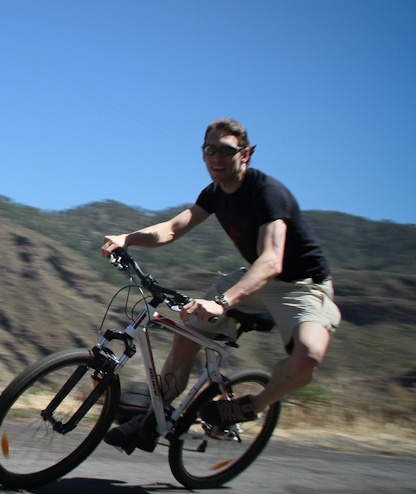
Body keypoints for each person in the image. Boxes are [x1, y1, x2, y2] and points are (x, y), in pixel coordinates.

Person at [99, 117, 341, 452]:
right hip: (253, 277)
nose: (216, 157)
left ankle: (252, 406)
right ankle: (152, 418)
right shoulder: (214, 193)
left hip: (301, 287)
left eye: (225, 151)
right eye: (209, 150)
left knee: (309, 356)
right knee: (187, 338)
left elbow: (272, 260)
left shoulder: (268, 194)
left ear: (246, 154)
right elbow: (172, 229)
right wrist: (128, 238)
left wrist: (222, 302)